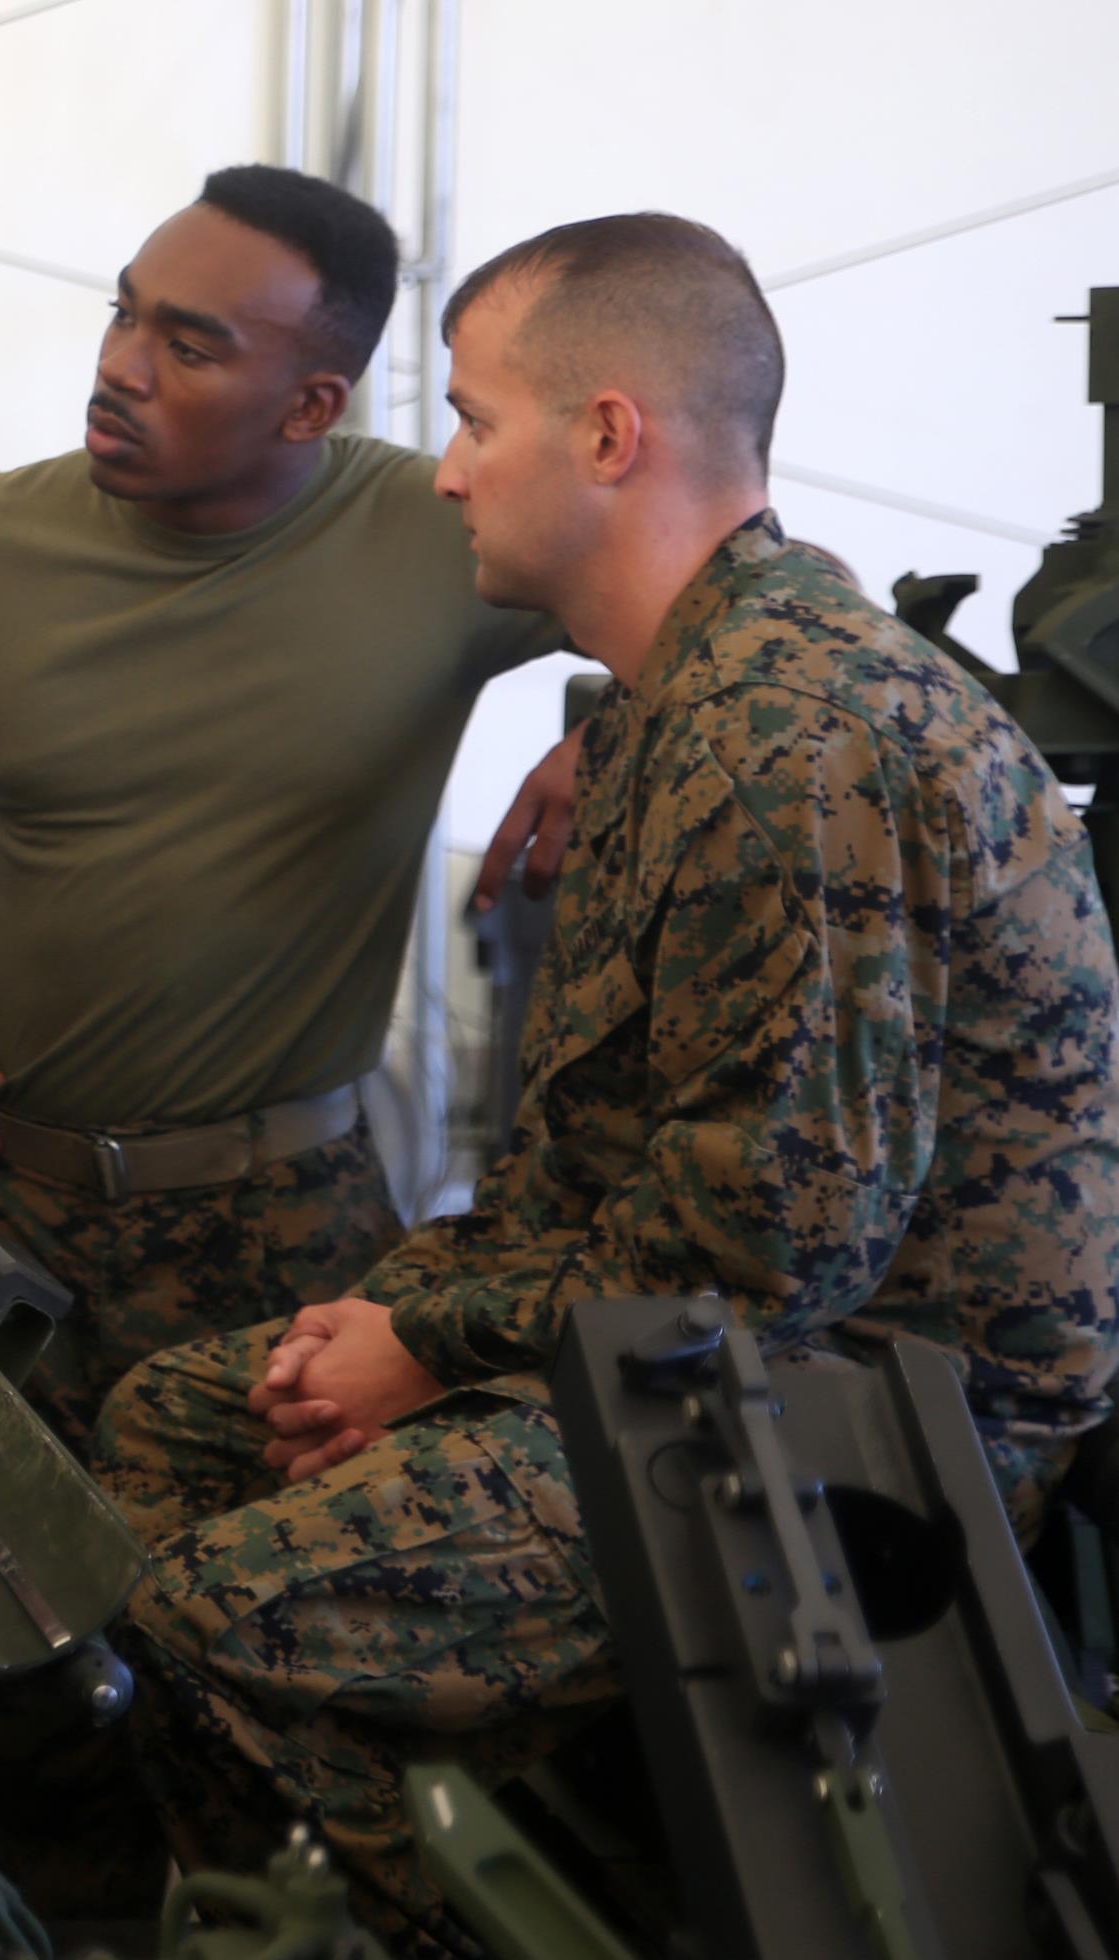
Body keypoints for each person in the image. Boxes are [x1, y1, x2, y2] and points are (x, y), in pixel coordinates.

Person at [96, 213, 1119, 1956]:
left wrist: (423, 1344)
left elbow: (766, 1265)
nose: (439, 476)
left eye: (472, 419)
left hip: (860, 1429)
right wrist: (413, 1318)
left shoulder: (788, 739)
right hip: (720, 1355)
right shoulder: (691, 697)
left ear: (605, 437)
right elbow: (620, 1187)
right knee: (157, 1430)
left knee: (220, 1619)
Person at [0, 165, 572, 1461]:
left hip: (281, 1234)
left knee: (239, 1641)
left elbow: (743, 578)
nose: (121, 367)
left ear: (311, 404)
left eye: (189, 345)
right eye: (125, 314)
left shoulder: (443, 536)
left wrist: (612, 728)